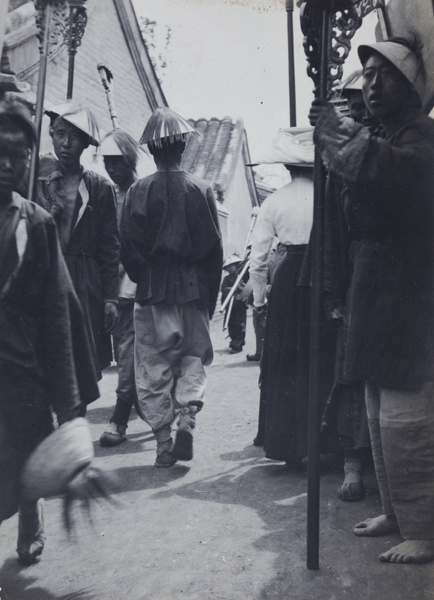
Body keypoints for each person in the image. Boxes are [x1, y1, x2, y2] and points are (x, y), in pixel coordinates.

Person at [310, 36, 434, 563]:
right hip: (374, 281)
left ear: (409, 86)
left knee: (408, 414)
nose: (371, 83)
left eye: (384, 73)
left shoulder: (421, 138)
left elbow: (394, 175)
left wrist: (339, 135)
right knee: (378, 407)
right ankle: (397, 509)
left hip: (409, 287)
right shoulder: (384, 133)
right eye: (368, 73)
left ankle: (425, 526)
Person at [0, 99, 98, 564]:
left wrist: (71, 409)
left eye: (18, 155)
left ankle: (29, 512)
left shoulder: (35, 224)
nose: (7, 164)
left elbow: (59, 318)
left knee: (24, 454)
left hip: (21, 368)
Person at [120, 107, 223, 467]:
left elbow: (128, 248)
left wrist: (144, 277)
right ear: (183, 147)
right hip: (194, 289)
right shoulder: (202, 190)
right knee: (193, 358)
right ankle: (187, 416)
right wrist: (209, 297)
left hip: (152, 289)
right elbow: (215, 252)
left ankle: (163, 442)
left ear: (151, 150)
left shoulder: (137, 191)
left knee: (153, 365)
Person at [35, 102, 120, 403]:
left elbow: (110, 247)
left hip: (85, 283)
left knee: (80, 364)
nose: (65, 143)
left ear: (86, 143)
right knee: (42, 356)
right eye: (59, 134)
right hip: (44, 277)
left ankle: (73, 422)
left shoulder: (99, 188)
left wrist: (110, 298)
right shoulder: (37, 178)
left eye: (73, 137)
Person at [321, 71, 372, 502]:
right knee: (351, 370)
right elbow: (333, 236)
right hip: (357, 274)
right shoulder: (339, 168)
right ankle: (353, 465)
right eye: (351, 105)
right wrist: (332, 294)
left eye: (364, 103)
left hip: (403, 278)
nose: (358, 111)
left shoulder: (404, 152)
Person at [249, 159, 316, 460]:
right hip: (320, 274)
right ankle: (321, 442)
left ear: (288, 167)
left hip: (288, 277)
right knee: (318, 354)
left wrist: (259, 299)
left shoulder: (274, 200)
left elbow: (259, 256)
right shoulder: (326, 196)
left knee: (284, 356)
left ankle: (284, 441)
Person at [99, 129, 140, 447]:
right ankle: (140, 403)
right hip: (112, 285)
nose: (112, 168)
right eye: (107, 162)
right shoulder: (107, 196)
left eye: (118, 162)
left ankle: (120, 419)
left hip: (138, 286)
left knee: (128, 354)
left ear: (130, 160)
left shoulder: (143, 193)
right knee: (122, 353)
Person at [220, 253, 248, 354]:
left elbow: (245, 288)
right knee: (231, 324)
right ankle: (234, 342)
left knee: (240, 324)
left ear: (236, 266)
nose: (230, 269)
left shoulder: (240, 277)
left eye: (232, 266)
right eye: (228, 267)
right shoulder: (226, 279)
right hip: (230, 305)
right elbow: (223, 289)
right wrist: (230, 290)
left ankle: (238, 345)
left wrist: (239, 287)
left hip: (239, 304)